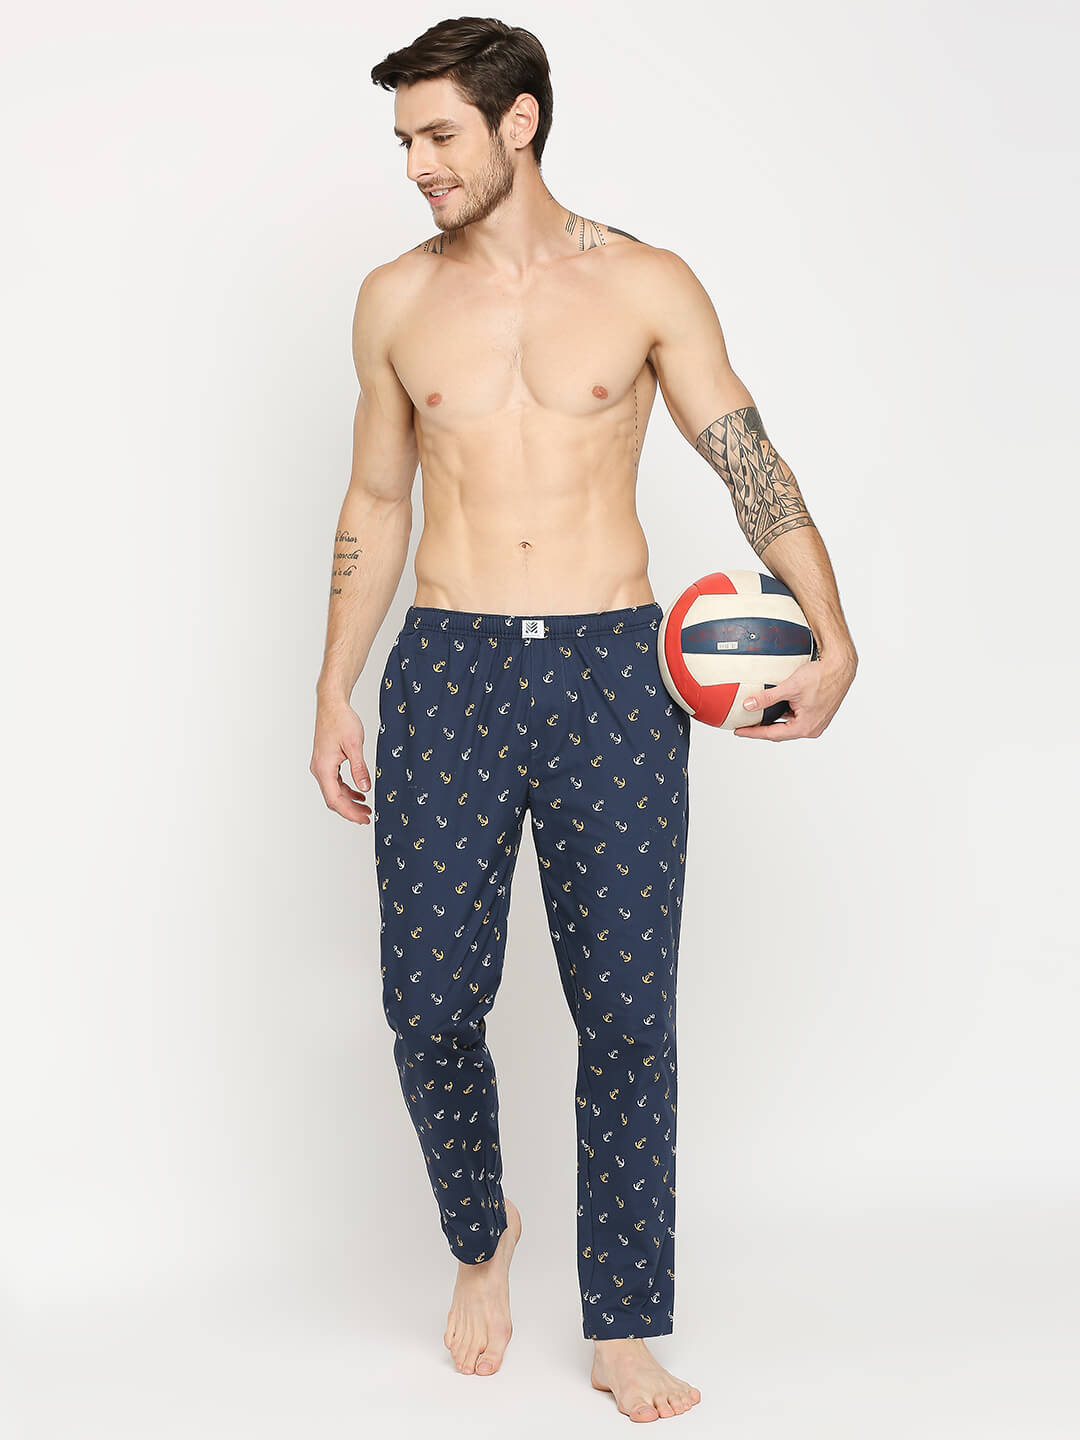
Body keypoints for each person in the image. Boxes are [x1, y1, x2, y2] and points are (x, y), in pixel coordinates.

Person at [309, 16, 857, 1424]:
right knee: (429, 1003)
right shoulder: (392, 299)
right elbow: (377, 497)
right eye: (404, 142)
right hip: (449, 665)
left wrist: (833, 632)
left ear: (521, 122)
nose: (418, 166)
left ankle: (623, 1324)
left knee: (627, 1016)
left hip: (616, 669)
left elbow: (745, 456)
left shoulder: (645, 283)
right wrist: (332, 685)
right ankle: (480, 1230)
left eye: (440, 135)